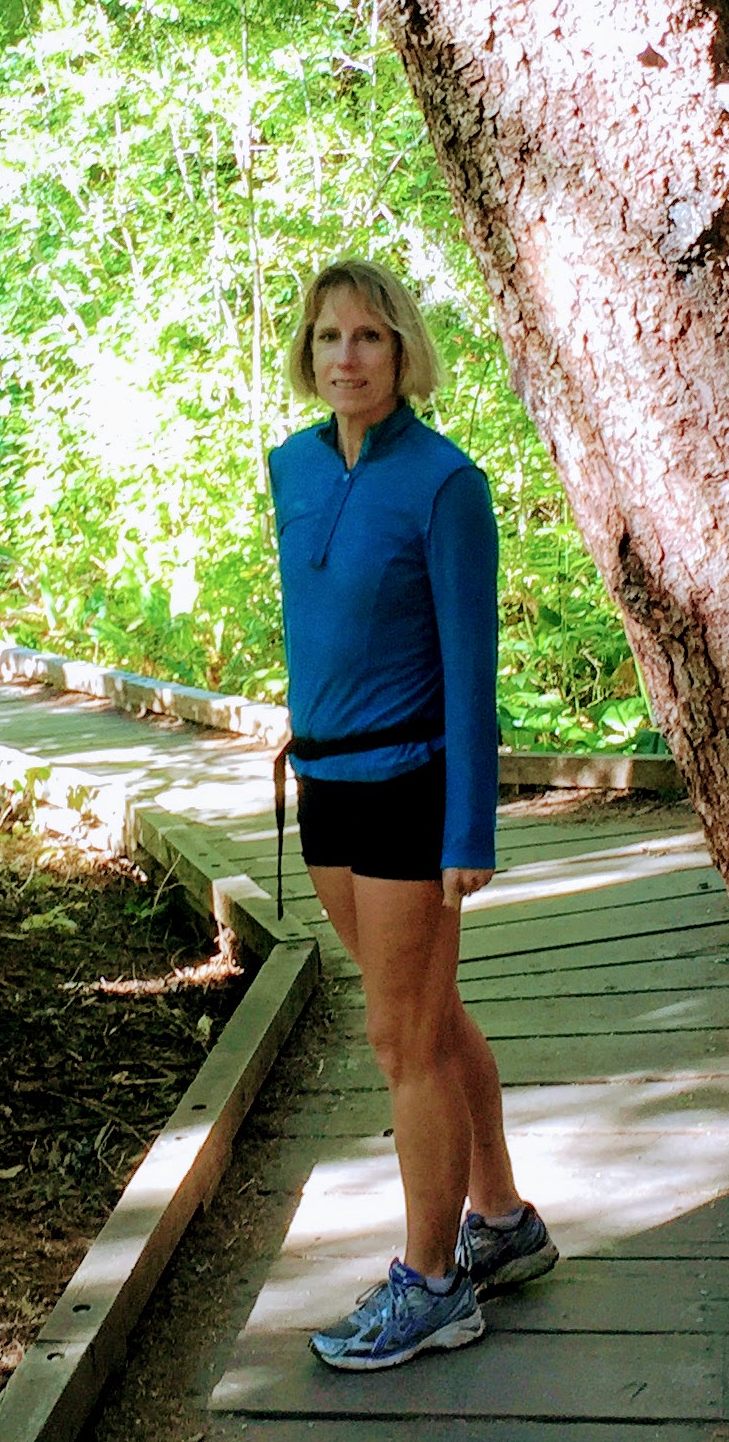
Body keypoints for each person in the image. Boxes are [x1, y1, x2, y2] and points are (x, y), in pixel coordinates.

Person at [270, 258, 558, 1373]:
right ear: (309, 351)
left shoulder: (446, 484)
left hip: (409, 788)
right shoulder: (293, 467)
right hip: (326, 786)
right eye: (328, 336)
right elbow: (321, 617)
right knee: (427, 1017)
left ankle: (434, 1285)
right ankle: (502, 1220)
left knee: (402, 1039)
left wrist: (468, 832)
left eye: (369, 337)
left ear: (402, 351)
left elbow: (470, 669)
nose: (346, 356)